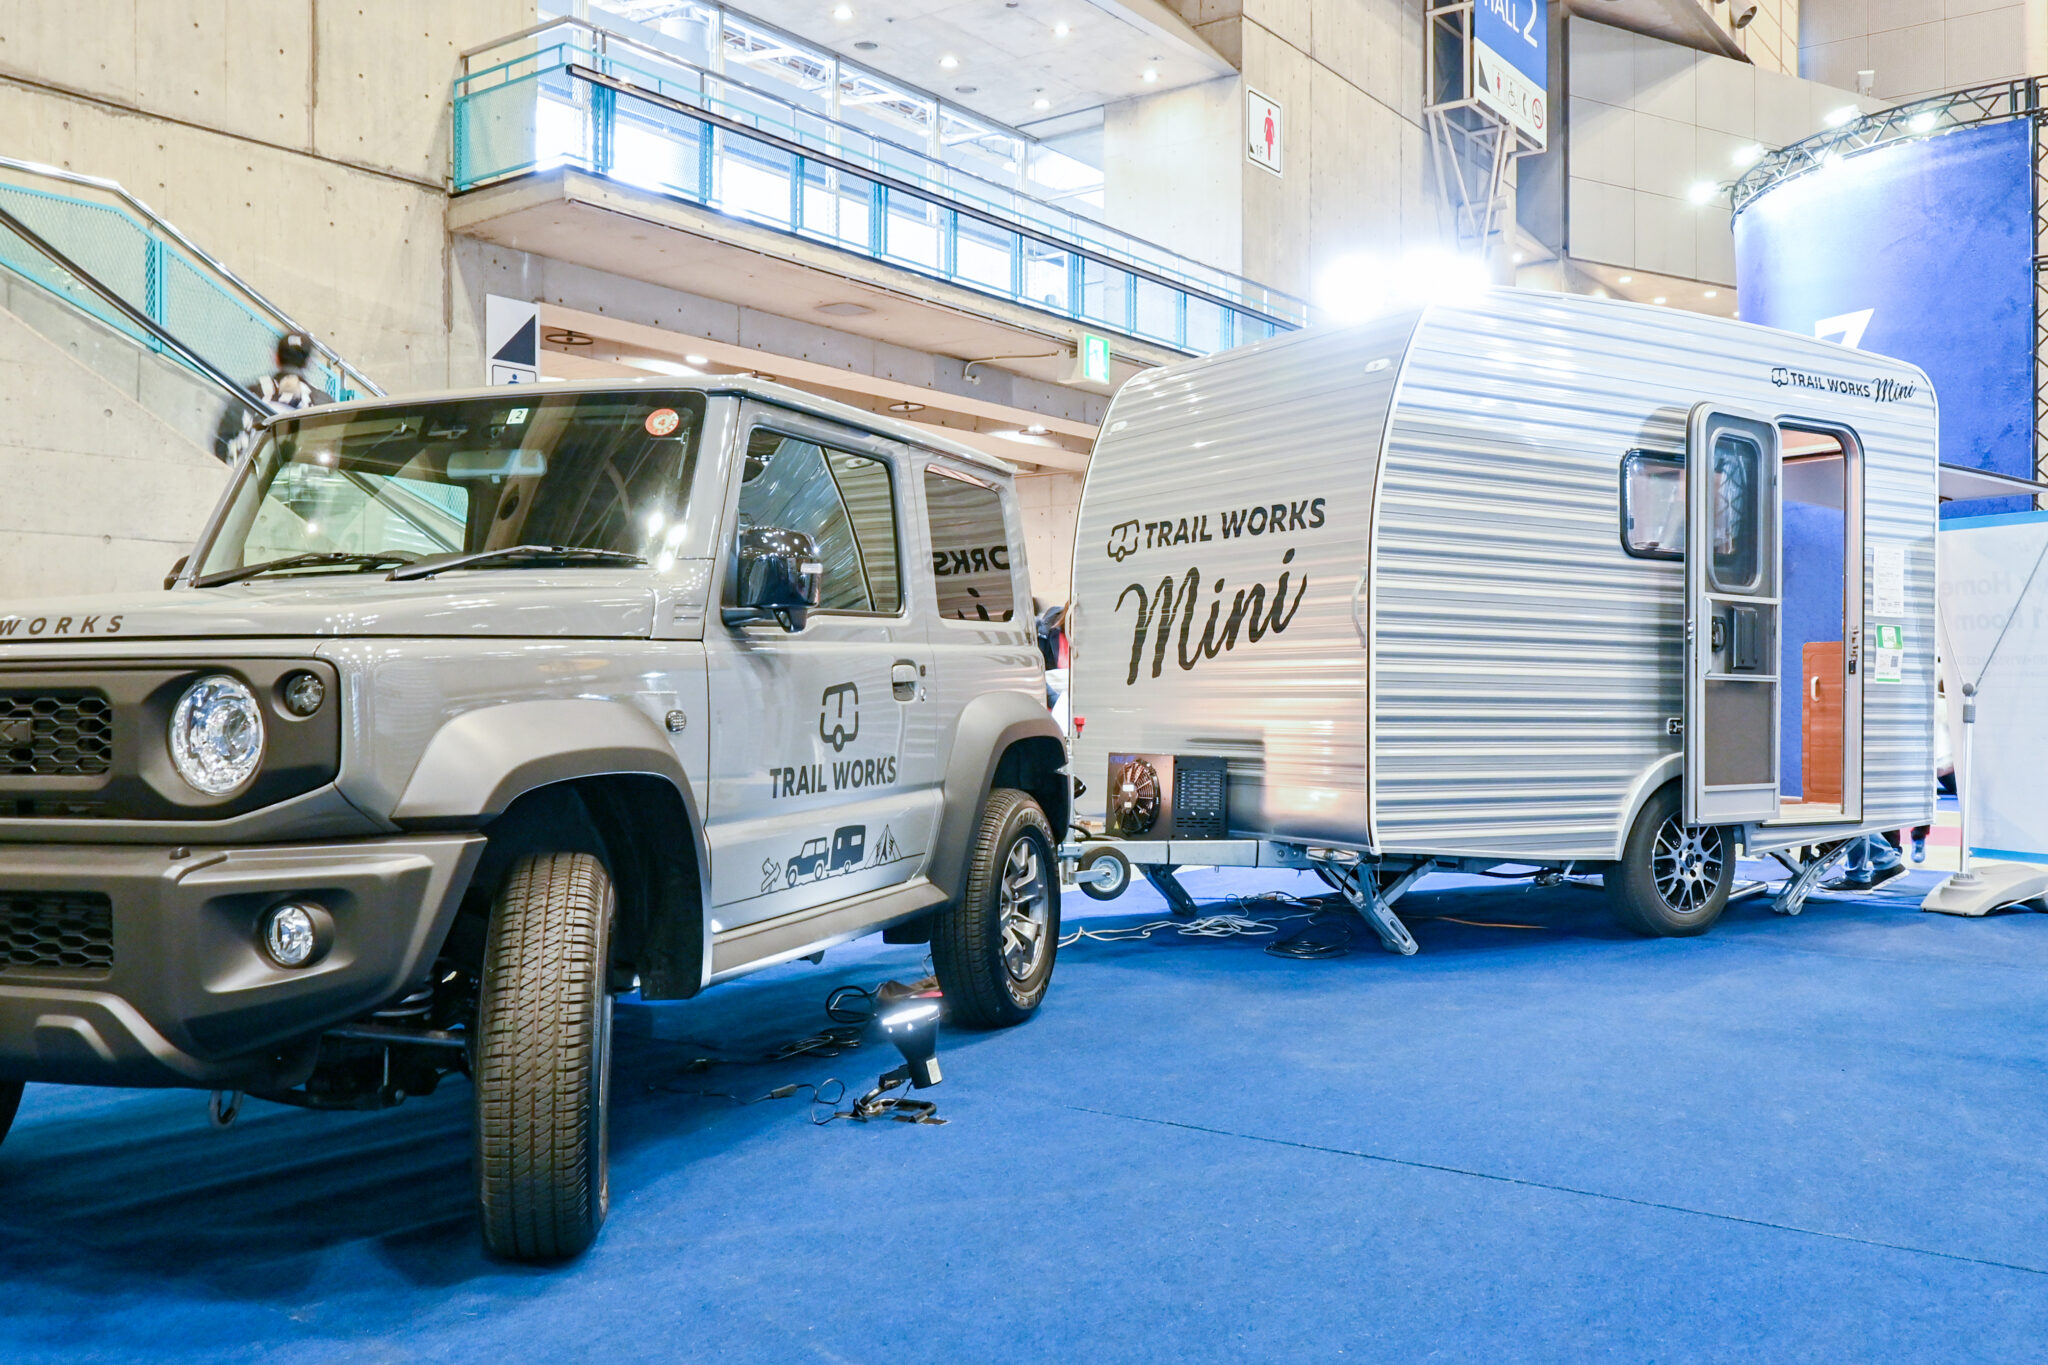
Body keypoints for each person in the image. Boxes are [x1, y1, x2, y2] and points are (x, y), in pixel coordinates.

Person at [214, 331, 332, 460]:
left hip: (250, 472)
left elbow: (223, 440)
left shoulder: (252, 391)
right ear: (309, 362)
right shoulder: (323, 402)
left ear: (276, 358)